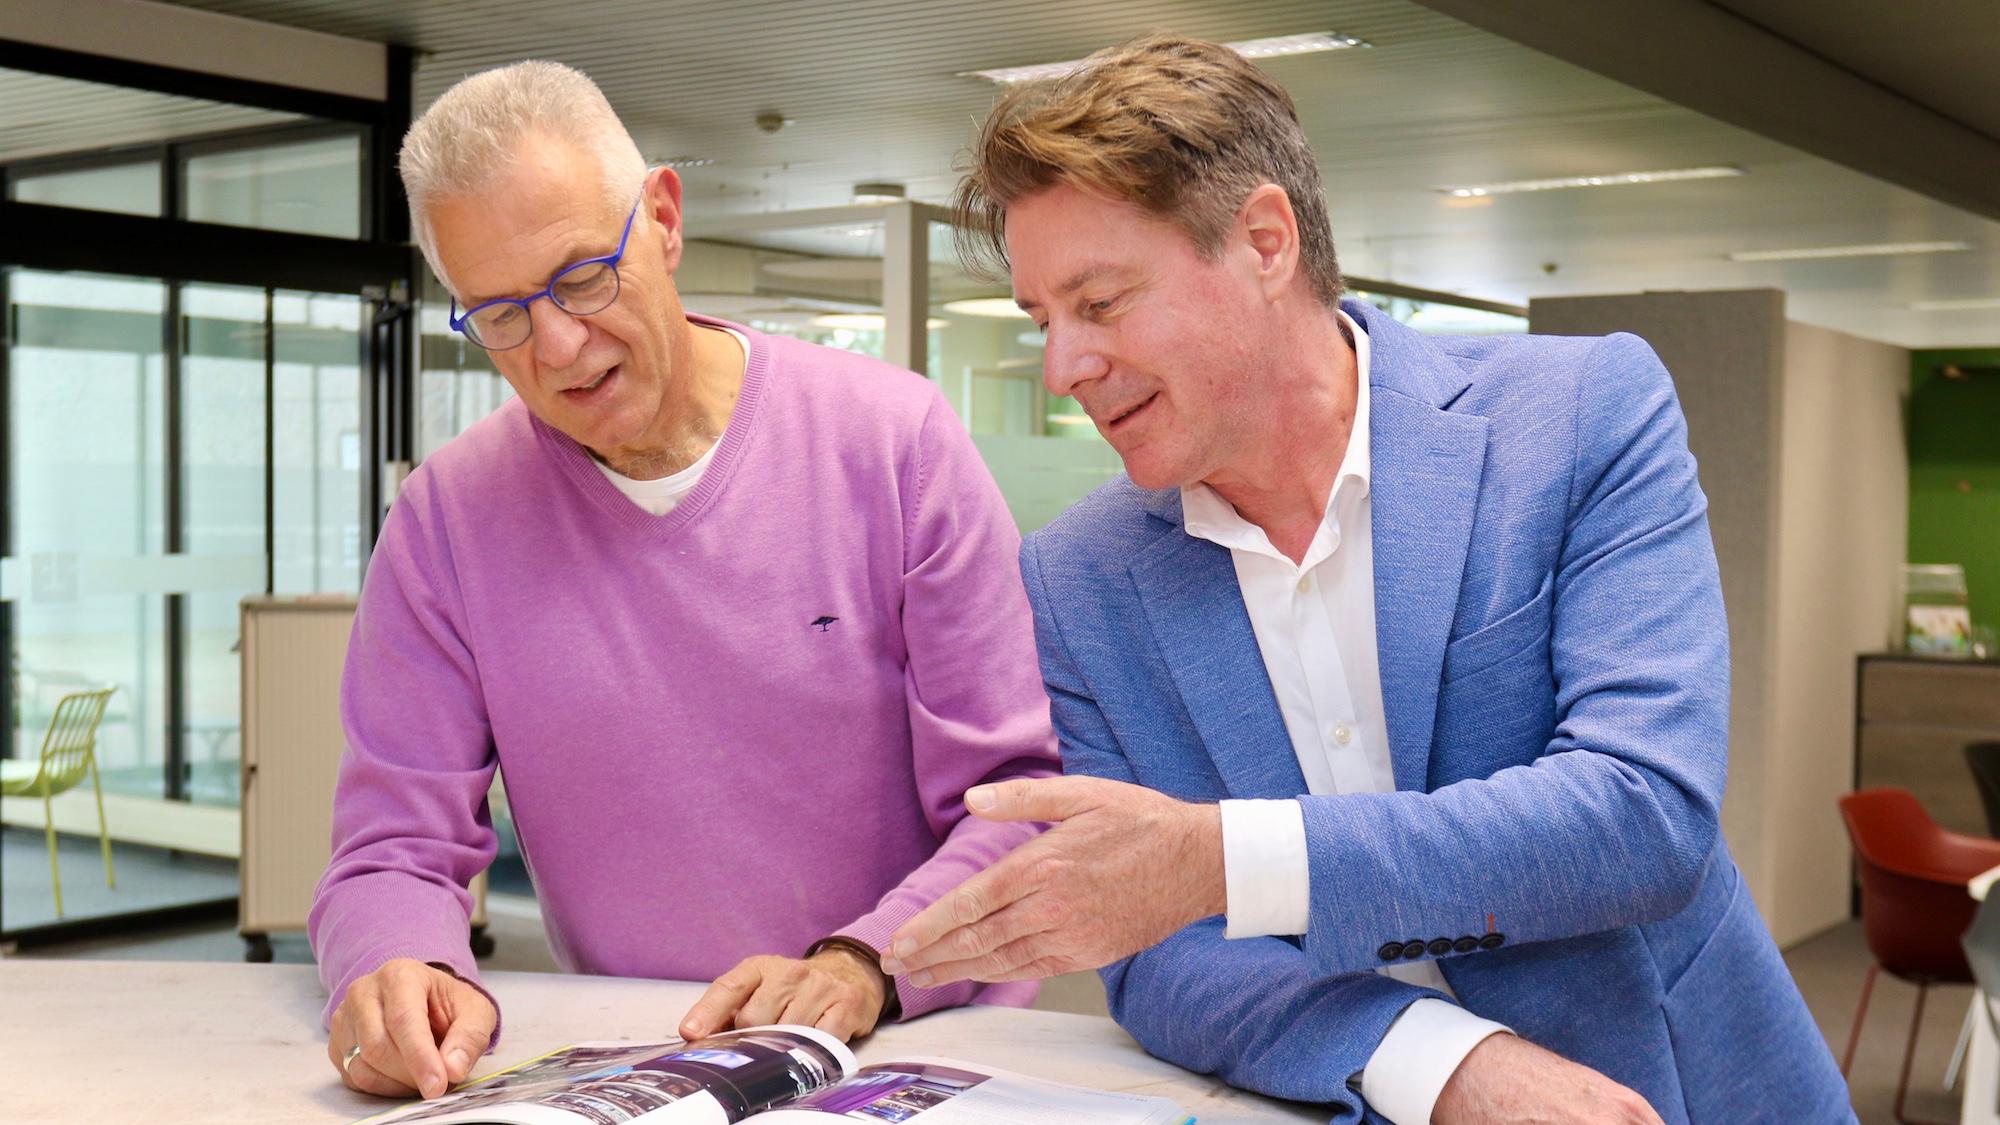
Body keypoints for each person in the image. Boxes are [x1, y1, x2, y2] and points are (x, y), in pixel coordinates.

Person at [880, 34, 1854, 1125]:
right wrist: (1439, 1062)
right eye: (1040, 322)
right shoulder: (1080, 575)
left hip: (1675, 1091)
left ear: (1261, 241)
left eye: (1098, 303)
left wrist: (1221, 860)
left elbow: (1642, 813)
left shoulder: (1579, 414)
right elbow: (1158, 960)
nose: (1062, 368)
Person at [311, 60, 1057, 1103]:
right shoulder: (446, 519)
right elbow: (390, 848)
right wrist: (403, 970)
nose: (559, 345)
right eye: (502, 315)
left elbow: (1018, 806)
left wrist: (862, 962)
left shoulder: (894, 443)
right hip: (640, 1067)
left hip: (906, 1044)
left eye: (580, 277)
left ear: (661, 217)